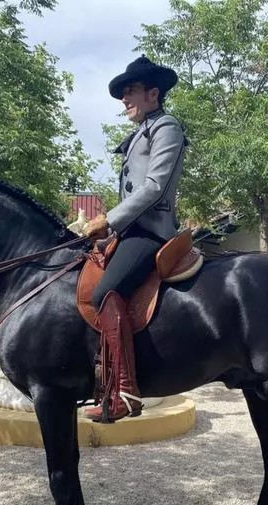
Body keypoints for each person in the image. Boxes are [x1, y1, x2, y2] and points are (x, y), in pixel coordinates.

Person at [83, 55, 188, 422]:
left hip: (150, 233)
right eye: (123, 93)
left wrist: (109, 220)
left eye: (131, 92)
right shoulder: (140, 133)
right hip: (130, 231)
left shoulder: (166, 127)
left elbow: (155, 188)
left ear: (153, 93)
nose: (125, 100)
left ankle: (126, 391)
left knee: (104, 293)